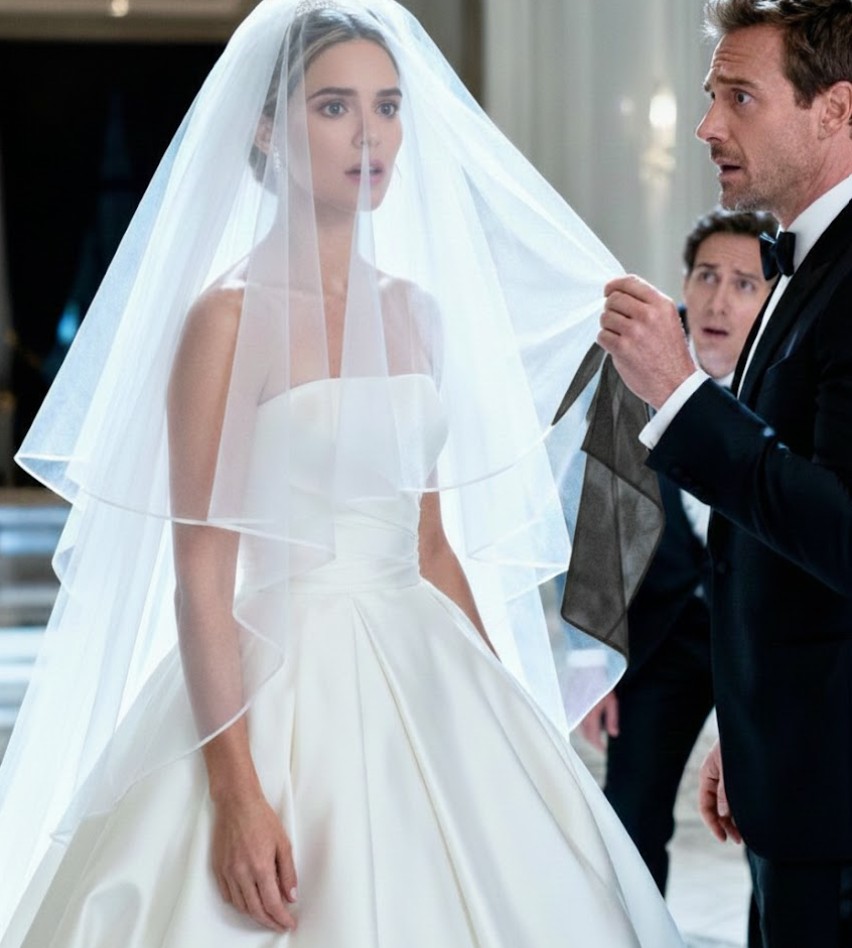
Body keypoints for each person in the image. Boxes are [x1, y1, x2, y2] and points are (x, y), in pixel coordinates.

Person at [0, 2, 684, 945]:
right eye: (334, 107)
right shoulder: (225, 322)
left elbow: (431, 544)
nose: (370, 135)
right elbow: (201, 573)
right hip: (282, 676)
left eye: (387, 106)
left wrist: (512, 719)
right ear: (267, 132)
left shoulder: (416, 313)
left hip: (426, 654)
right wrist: (237, 794)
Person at [598, 1, 852, 945]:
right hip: (791, 757)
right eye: (711, 97)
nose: (708, 126)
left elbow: (841, 530)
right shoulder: (806, 263)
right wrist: (749, 732)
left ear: (835, 110)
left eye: (740, 97)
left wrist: (678, 394)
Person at [580, 206, 775, 894]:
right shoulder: (635, 366)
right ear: (684, 283)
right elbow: (603, 508)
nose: (719, 301)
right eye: (706, 276)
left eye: (744, 284)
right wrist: (596, 659)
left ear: (774, 297)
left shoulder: (790, 374)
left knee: (767, 829)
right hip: (662, 631)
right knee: (629, 819)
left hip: (761, 636)